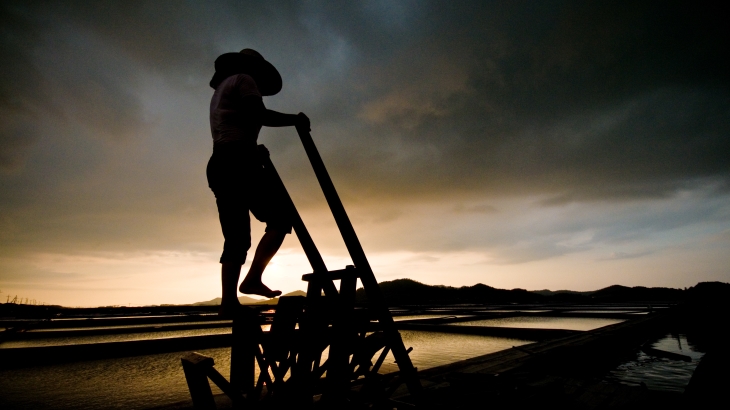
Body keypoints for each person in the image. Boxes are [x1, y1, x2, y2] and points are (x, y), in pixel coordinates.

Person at [207, 49, 309, 317]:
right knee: (281, 218)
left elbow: (240, 123)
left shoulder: (221, 90)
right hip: (239, 160)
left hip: (220, 162)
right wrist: (295, 120)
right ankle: (252, 278)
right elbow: (259, 115)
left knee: (236, 238)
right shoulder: (244, 79)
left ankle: (228, 302)